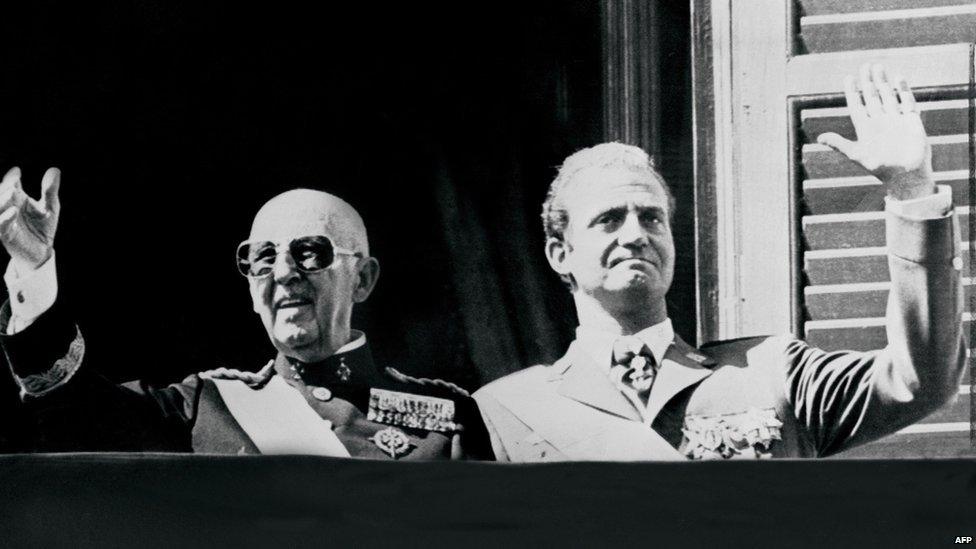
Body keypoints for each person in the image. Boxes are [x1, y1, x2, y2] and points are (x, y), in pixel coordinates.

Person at [473, 64, 966, 461]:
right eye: (608, 219)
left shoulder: (773, 375)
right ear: (561, 254)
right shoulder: (506, 412)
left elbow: (917, 380)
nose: (635, 235)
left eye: (651, 218)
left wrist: (911, 191)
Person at [0, 181, 492, 460]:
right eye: (261, 257)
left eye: (309, 253)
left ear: (362, 279)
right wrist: (33, 272)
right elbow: (79, 412)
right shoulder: (209, 405)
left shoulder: (448, 413)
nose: (282, 272)